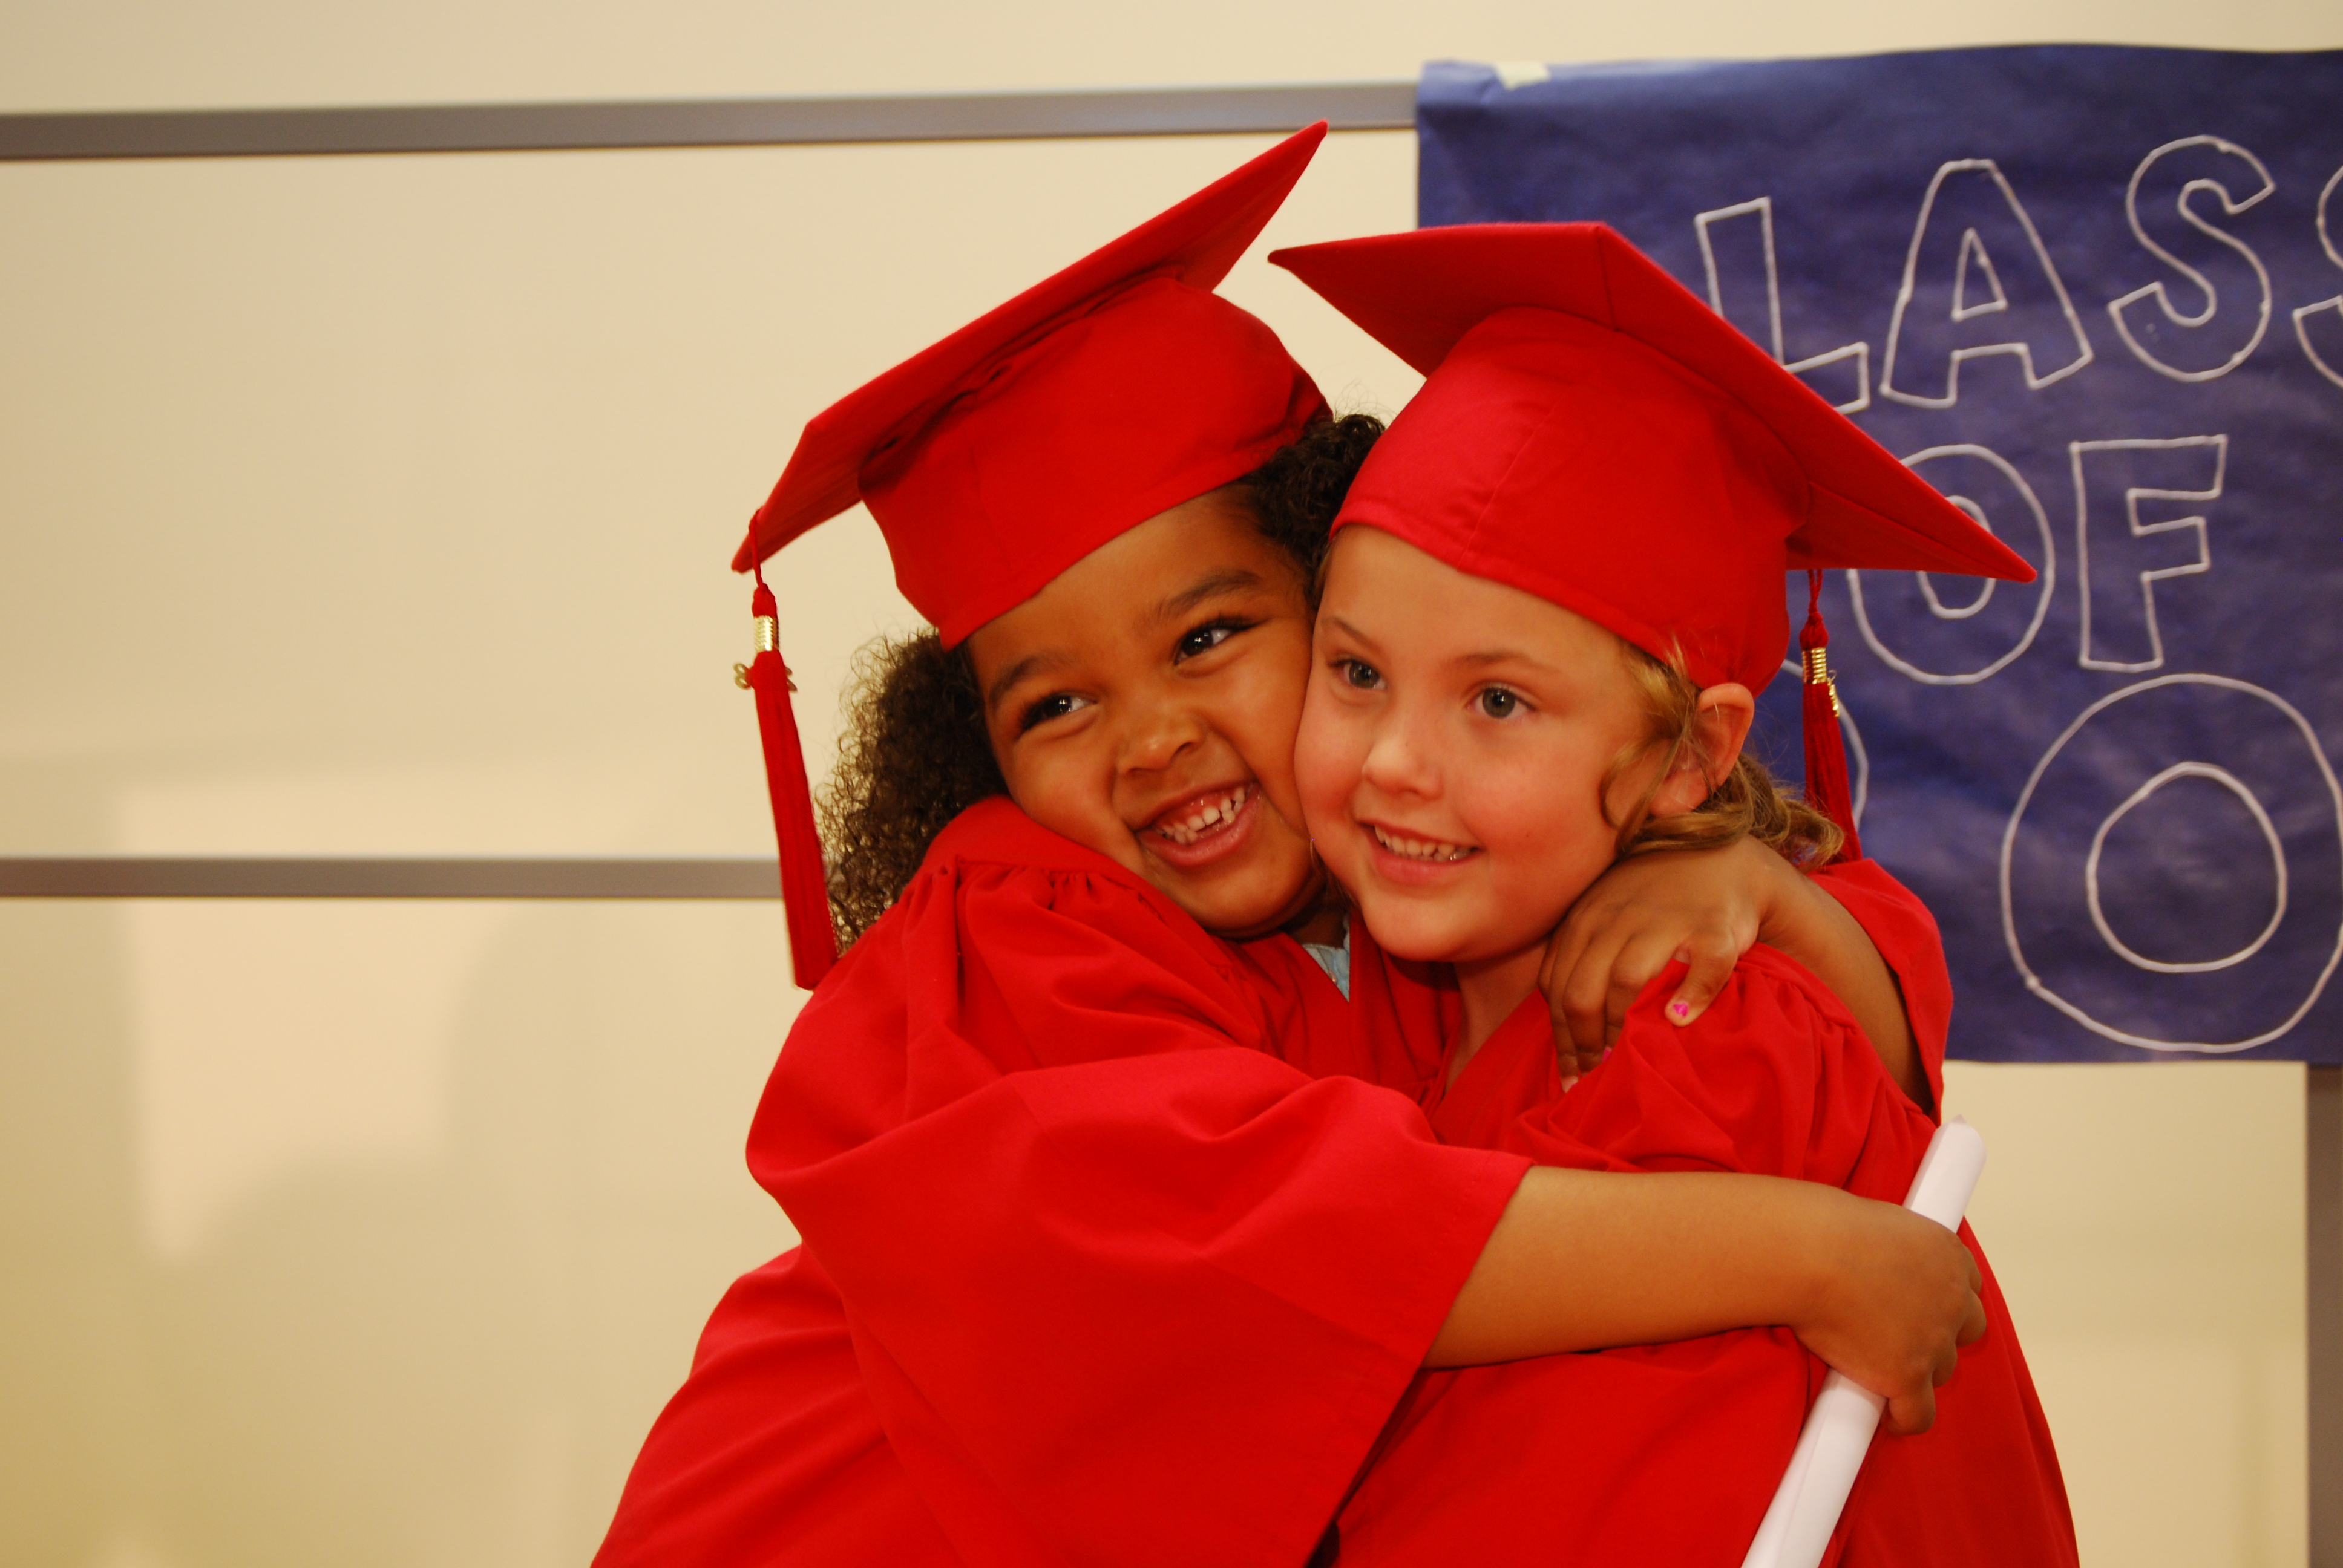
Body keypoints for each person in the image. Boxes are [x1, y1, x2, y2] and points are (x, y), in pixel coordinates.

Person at [595, 131, 1983, 1567]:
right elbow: (1297, 1243)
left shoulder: (1400, 901)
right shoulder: (1013, 933)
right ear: (979, 754)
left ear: (1337, 602)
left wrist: (1758, 888)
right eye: (1054, 704)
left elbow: (1876, 999)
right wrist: (1812, 1253)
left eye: (1210, 639)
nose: (1149, 743)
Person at [1273, 220, 2078, 1564]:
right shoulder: (1389, 986)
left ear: (1690, 755)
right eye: (1354, 672)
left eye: (1498, 700)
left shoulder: (1699, 1036)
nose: (1396, 763)